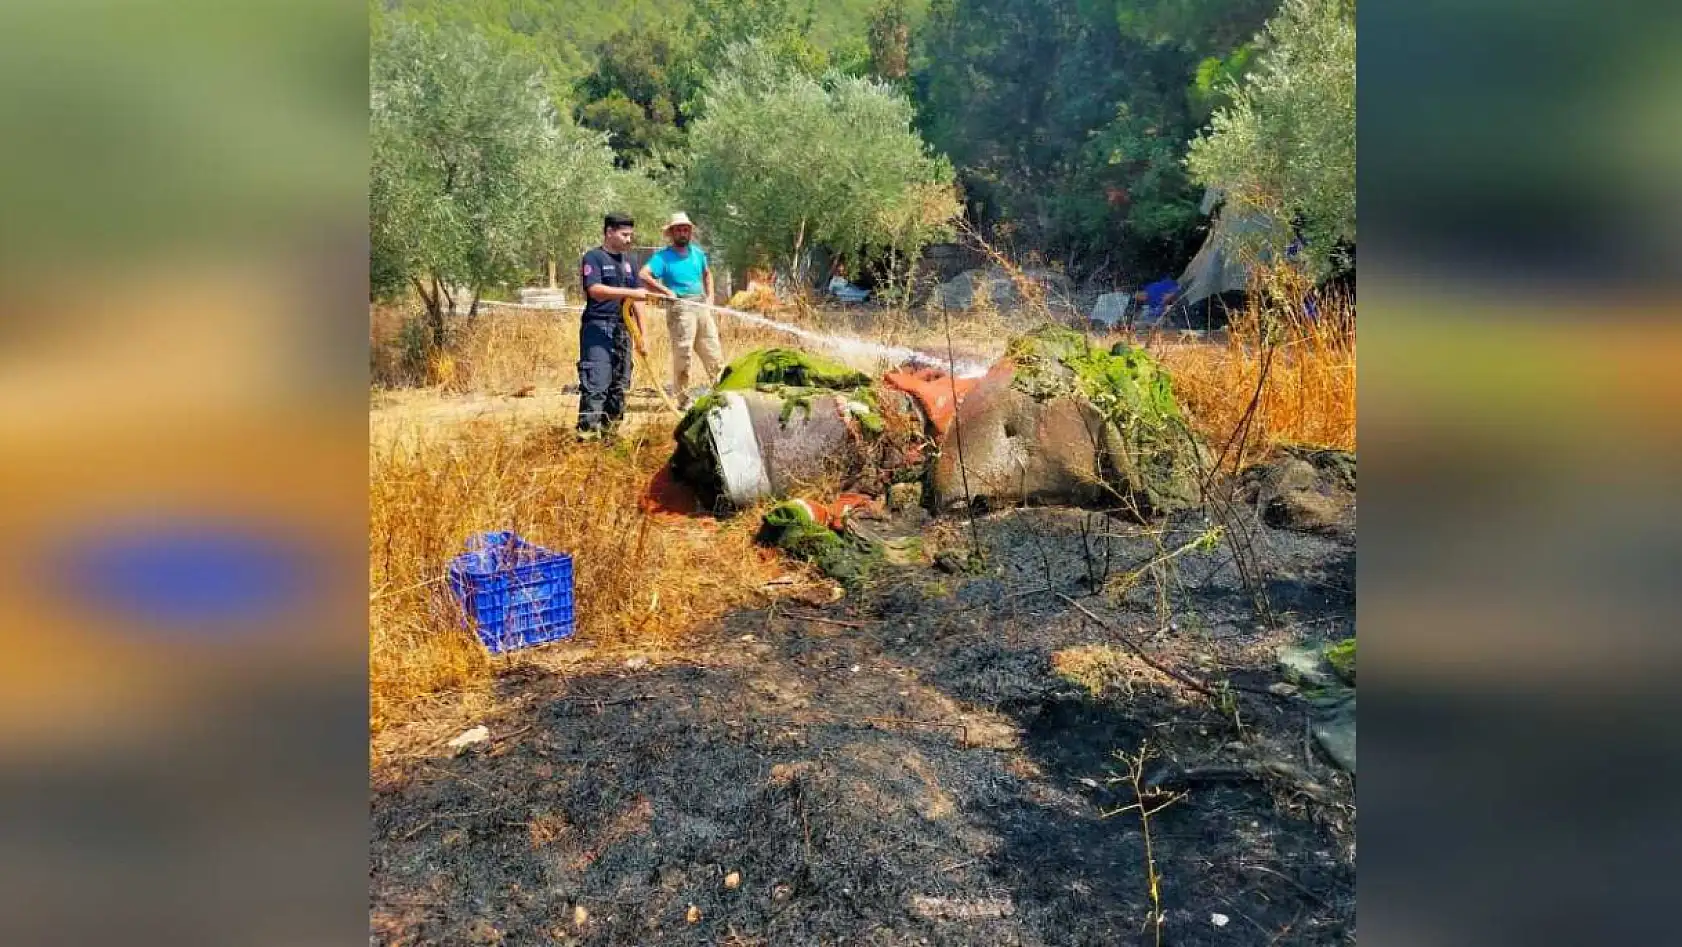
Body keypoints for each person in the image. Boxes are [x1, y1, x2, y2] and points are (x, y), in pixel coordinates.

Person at [578, 212, 667, 439]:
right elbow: (595, 290)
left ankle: (610, 434)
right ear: (609, 232)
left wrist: (642, 336)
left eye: (630, 235)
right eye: (624, 235)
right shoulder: (594, 258)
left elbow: (638, 301)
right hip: (598, 327)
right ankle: (588, 435)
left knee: (619, 385)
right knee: (597, 382)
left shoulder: (630, 262)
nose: (629, 239)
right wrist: (630, 292)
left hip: (623, 329)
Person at [639, 212, 721, 408]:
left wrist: (710, 298)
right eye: (679, 230)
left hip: (701, 306)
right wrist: (665, 291)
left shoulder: (698, 254)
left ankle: (721, 394)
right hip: (681, 308)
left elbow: (707, 274)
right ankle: (683, 400)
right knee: (684, 356)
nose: (683, 233)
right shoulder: (663, 257)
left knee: (713, 353)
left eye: (686, 229)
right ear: (671, 233)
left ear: (690, 232)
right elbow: (643, 274)